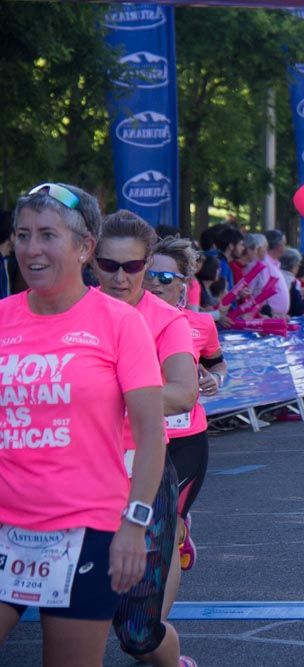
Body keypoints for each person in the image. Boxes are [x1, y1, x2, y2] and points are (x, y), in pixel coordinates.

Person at [0, 184, 165, 666]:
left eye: (48, 235)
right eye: (23, 235)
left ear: (84, 246)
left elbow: (151, 434)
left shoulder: (118, 323)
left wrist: (134, 526)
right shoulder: (2, 319)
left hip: (87, 530)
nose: (32, 249)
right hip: (6, 523)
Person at [94, 211, 199, 667]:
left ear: (148, 263)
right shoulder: (70, 309)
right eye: (109, 265)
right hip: (76, 474)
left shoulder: (165, 320)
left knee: (137, 634)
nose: (120, 278)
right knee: (78, 607)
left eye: (133, 267)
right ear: (89, 259)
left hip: (143, 472)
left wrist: (100, 398)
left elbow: (183, 392)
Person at [146, 235, 227, 575]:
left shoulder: (200, 324)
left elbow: (218, 363)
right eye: (149, 274)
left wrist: (215, 379)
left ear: (183, 283)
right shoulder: (123, 320)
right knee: (148, 522)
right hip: (142, 437)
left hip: (187, 437)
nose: (155, 283)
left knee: (168, 523)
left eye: (165, 278)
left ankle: (152, 612)